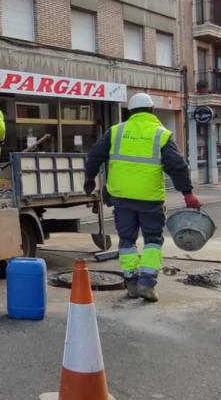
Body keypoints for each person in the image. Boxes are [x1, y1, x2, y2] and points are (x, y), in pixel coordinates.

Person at [83, 93, 200, 302]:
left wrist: (90, 179)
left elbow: (94, 155)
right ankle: (147, 284)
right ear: (152, 111)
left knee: (127, 240)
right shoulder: (160, 135)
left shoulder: (116, 131)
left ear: (130, 112)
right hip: (149, 199)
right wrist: (188, 193)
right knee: (152, 241)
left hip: (121, 198)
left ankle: (131, 282)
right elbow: (177, 166)